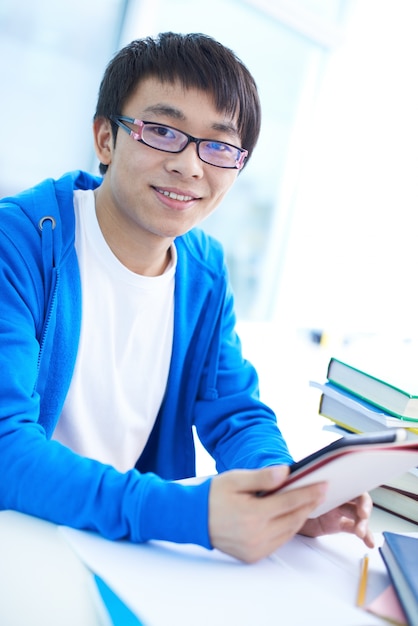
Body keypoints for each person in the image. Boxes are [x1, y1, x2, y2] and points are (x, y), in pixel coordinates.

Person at [0, 32, 374, 563]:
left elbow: (234, 411)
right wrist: (189, 513)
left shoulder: (202, 269)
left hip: (122, 550)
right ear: (106, 138)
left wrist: (287, 490)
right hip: (23, 541)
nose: (190, 165)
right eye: (161, 130)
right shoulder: (18, 244)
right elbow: (6, 450)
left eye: (219, 145)